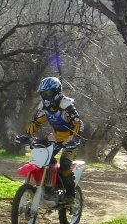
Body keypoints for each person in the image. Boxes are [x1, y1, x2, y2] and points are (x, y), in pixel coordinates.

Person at [21, 76, 83, 205]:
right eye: (43, 94)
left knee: (65, 164)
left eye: (48, 93)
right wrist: (28, 135)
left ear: (56, 92)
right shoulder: (44, 107)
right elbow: (36, 122)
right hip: (56, 136)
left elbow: (78, 123)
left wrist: (76, 139)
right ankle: (49, 189)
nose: (46, 96)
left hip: (70, 138)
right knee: (44, 160)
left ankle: (70, 195)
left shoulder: (66, 106)